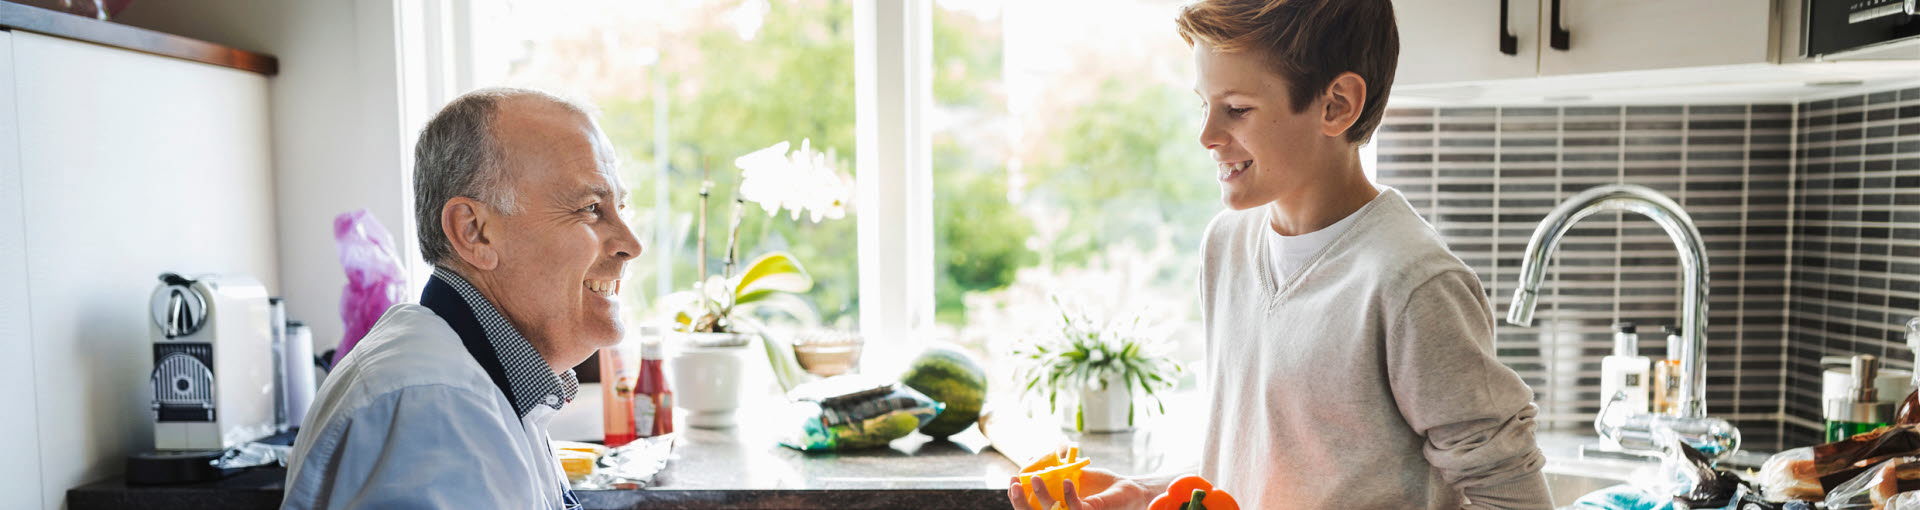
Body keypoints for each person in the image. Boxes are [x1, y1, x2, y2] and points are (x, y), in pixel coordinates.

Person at [1009, 1, 1552, 508]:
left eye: (1237, 109)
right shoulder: (1227, 244)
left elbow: (1511, 494)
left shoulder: (1410, 282)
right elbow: (1256, 462)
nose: (1206, 135)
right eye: (1205, 104)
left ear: (1336, 105)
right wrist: (1147, 493)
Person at [284, 88, 643, 509]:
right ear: (474, 232)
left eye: (620, 206)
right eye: (590, 208)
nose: (631, 244)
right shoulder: (435, 408)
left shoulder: (476, 377)